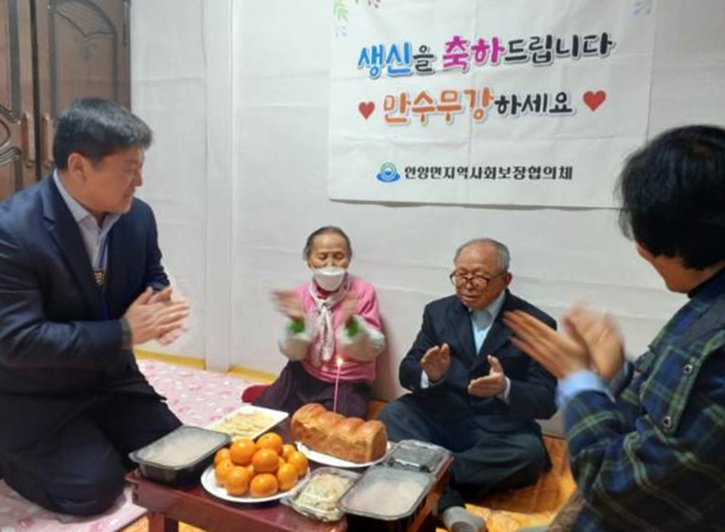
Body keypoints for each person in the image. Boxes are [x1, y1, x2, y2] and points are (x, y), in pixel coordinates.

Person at [504, 125, 725, 531]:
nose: (640, 249)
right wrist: (615, 376)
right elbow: (656, 416)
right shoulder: (707, 305)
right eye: (461, 273)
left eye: (480, 274)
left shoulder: (714, 349)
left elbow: (617, 484)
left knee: (522, 451)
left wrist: (579, 382)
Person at [0, 98, 190, 516]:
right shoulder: (12, 231)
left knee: (178, 460)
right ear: (80, 165)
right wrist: (125, 332)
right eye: (129, 169)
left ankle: (96, 437)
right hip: (38, 392)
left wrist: (161, 300)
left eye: (140, 167)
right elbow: (17, 341)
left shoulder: (138, 217)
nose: (139, 181)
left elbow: (152, 274)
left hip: (113, 379)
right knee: (92, 490)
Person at [378, 238, 558, 532]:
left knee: (529, 454)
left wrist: (506, 387)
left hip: (497, 428)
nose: (467, 285)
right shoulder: (437, 312)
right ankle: (448, 503)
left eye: (479, 277)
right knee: (391, 415)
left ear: (505, 279)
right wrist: (430, 375)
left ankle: (431, 485)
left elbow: (546, 400)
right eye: (461, 275)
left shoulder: (535, 324)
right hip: (441, 416)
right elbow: (407, 370)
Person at [252, 226, 385, 418]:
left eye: (338, 256)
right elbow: (294, 353)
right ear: (309, 260)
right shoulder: (301, 293)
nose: (330, 264)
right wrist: (298, 323)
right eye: (322, 257)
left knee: (340, 427)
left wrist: (352, 325)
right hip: (304, 372)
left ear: (348, 259)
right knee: (262, 413)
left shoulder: (362, 292)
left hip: (345, 380)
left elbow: (371, 350)